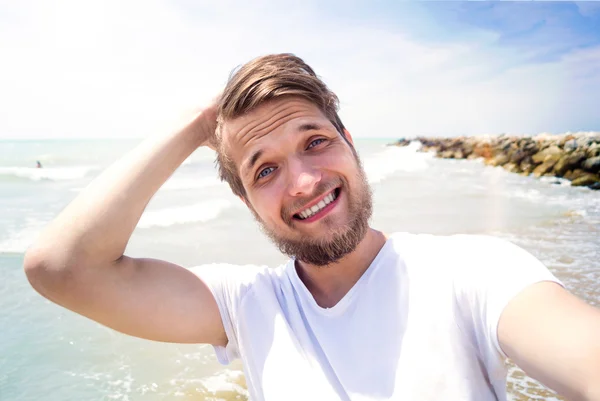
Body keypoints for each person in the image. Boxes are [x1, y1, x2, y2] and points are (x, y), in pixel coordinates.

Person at [24, 54, 600, 401]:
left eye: (315, 142)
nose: (302, 182)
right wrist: (198, 123)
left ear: (350, 145)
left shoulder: (473, 271)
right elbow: (62, 268)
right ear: (247, 202)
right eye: (265, 169)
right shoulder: (245, 305)